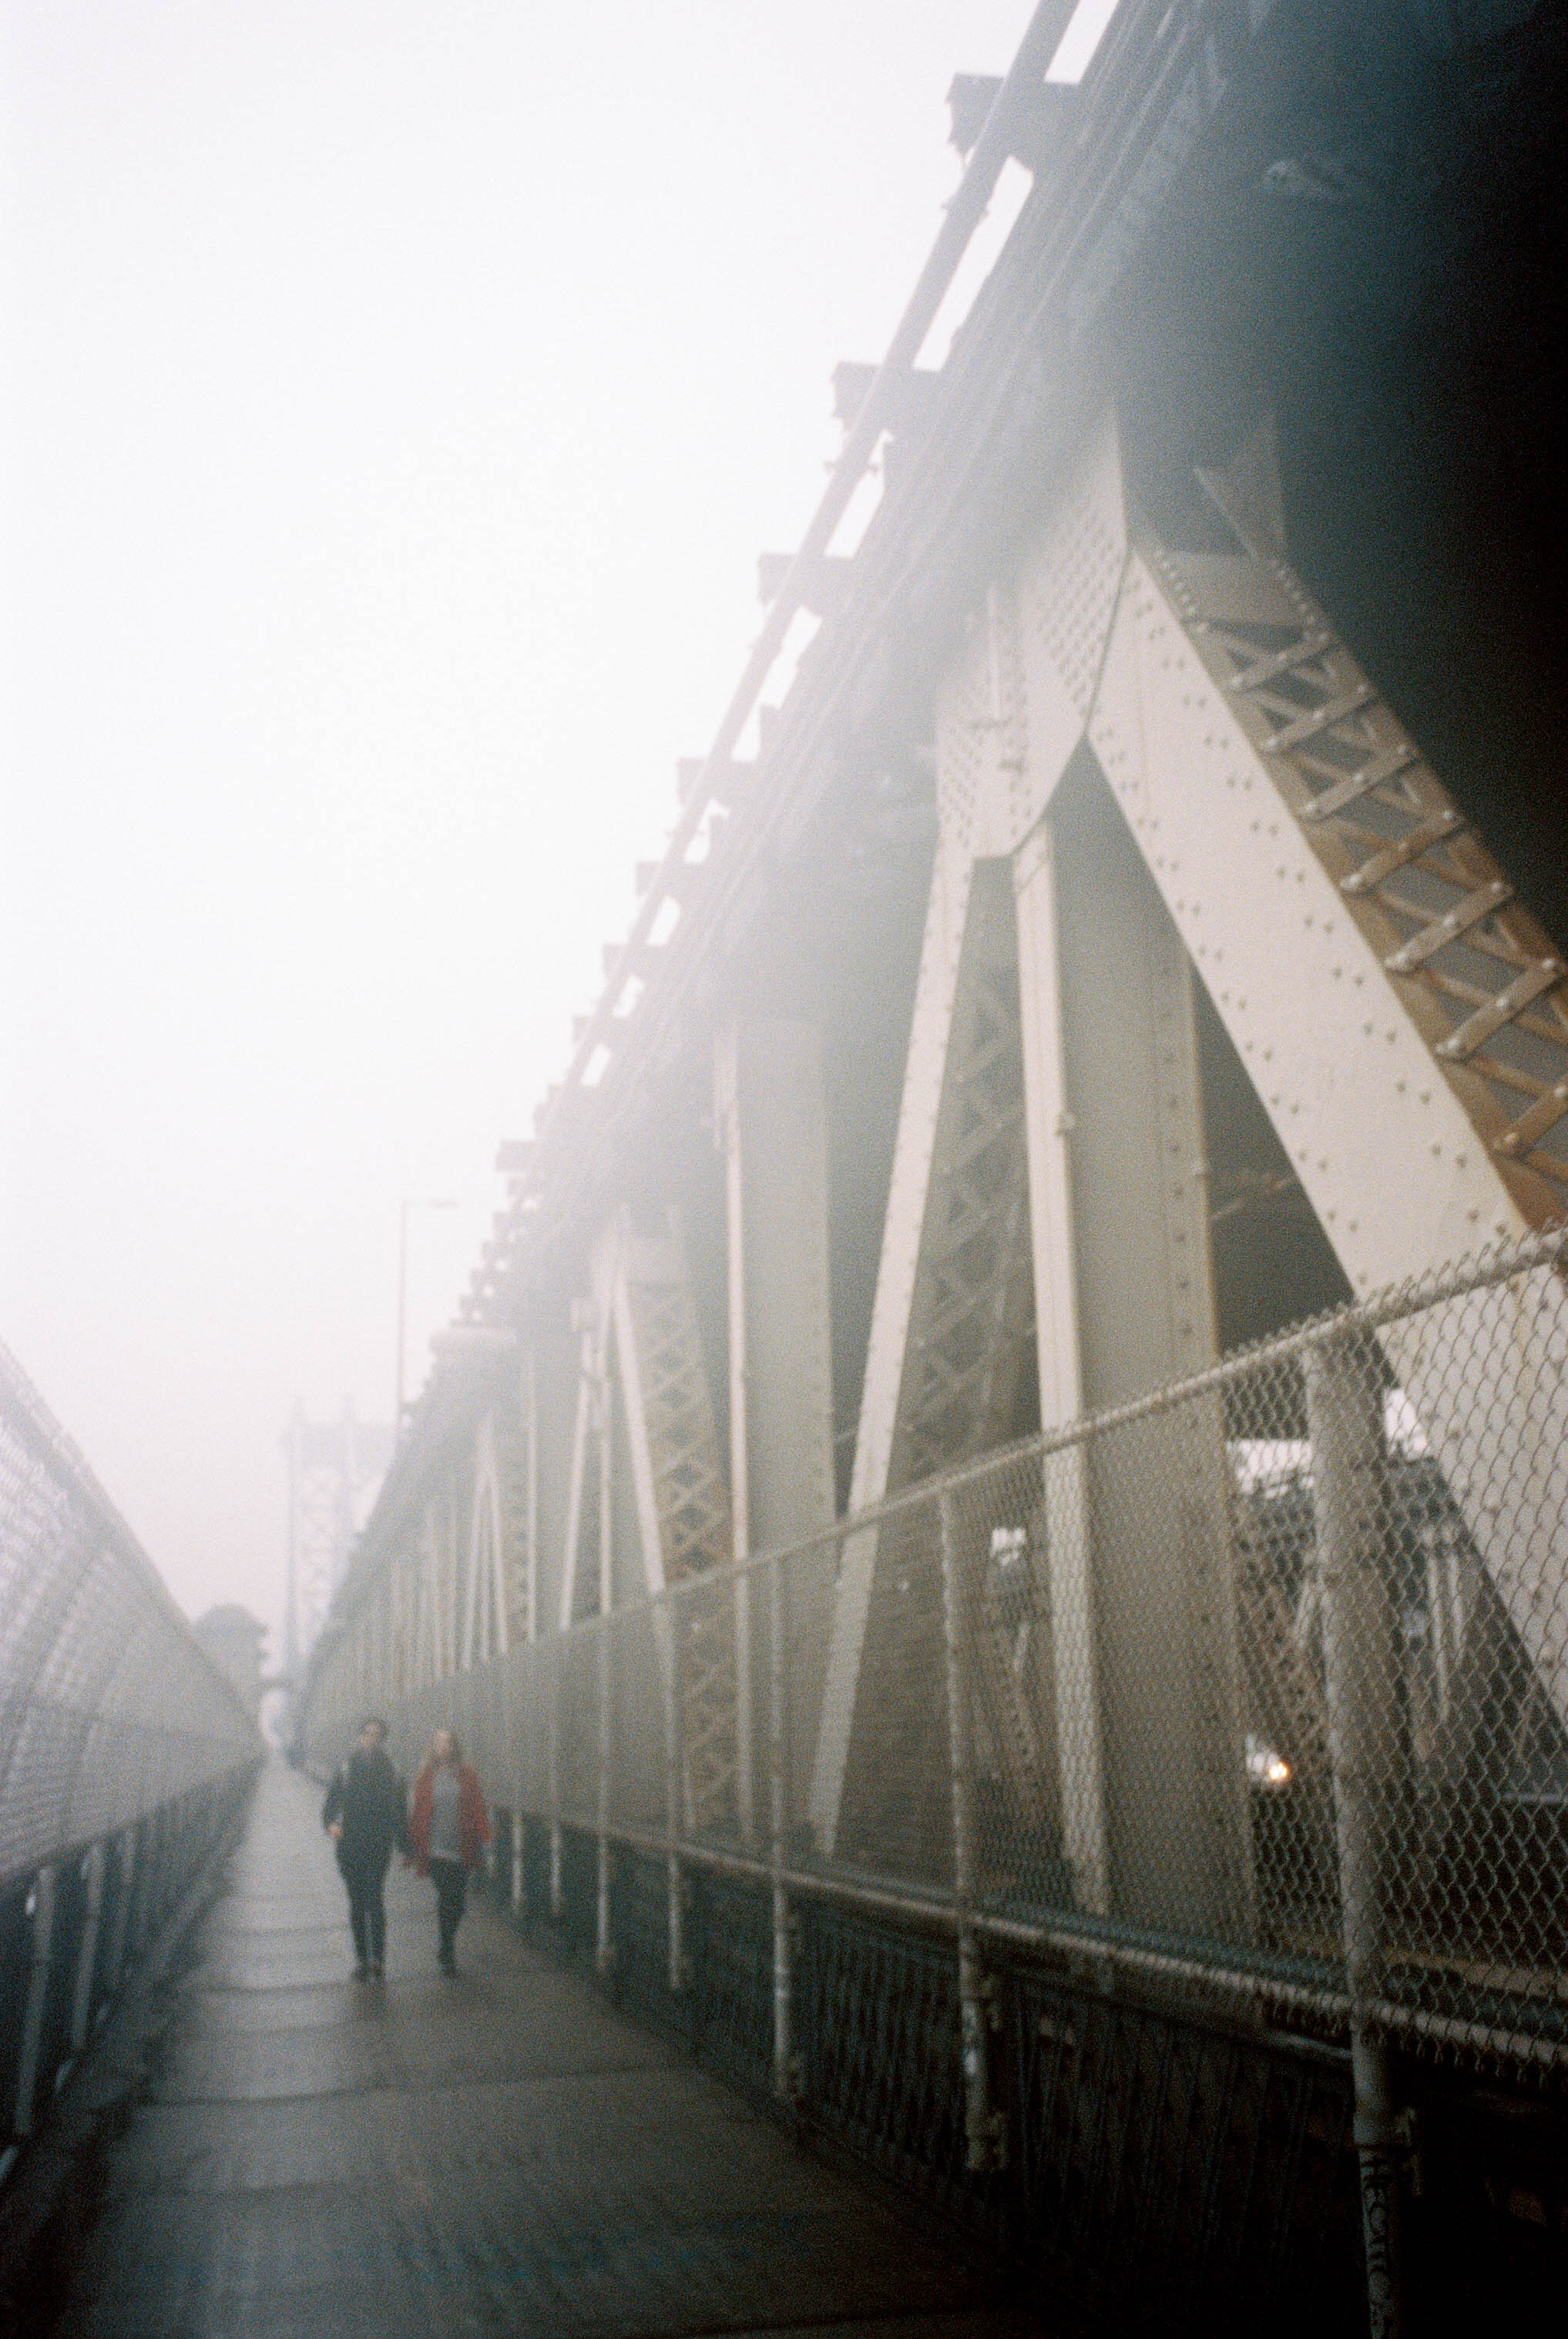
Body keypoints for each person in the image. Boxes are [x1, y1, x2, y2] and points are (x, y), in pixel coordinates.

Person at [321, 1715, 408, 1980]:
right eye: (368, 1734)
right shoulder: (346, 1769)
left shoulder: (392, 1770)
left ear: (382, 1740)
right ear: (360, 1737)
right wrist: (331, 1826)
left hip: (378, 1845)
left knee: (374, 1899)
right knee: (357, 1903)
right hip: (349, 1847)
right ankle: (362, 1958)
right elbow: (329, 1808)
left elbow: (400, 1813)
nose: (372, 1739)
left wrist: (405, 1848)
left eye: (377, 1735)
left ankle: (378, 1960)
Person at [408, 1727, 489, 1974]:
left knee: (459, 1902)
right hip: (435, 1849)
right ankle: (448, 1949)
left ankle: (446, 1945)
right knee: (448, 1897)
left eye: (448, 1743)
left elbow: (477, 1806)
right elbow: (417, 1811)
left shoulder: (466, 1774)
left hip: (461, 1847)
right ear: (433, 1747)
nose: (443, 1747)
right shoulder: (426, 1775)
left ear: (455, 1747)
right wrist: (412, 1845)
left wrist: (484, 1837)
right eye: (439, 1743)